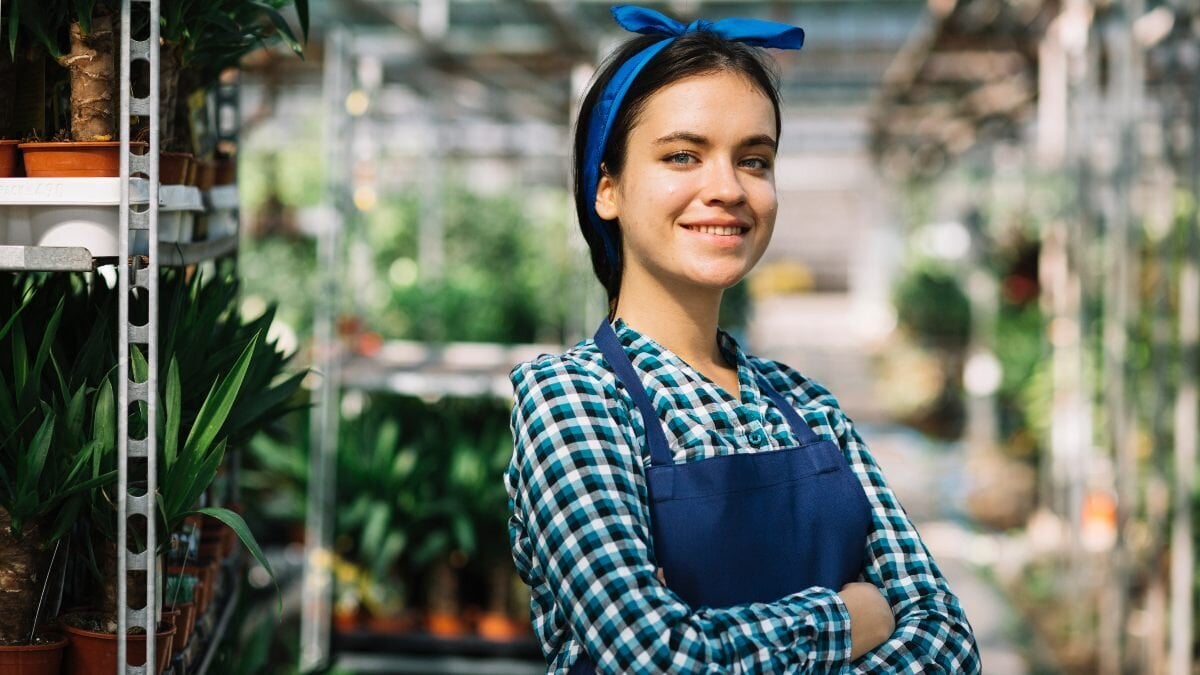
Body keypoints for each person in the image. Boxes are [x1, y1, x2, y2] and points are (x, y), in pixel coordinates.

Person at [505, 6, 981, 673]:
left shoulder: (807, 406)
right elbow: (658, 655)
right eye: (682, 156)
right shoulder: (573, 399)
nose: (726, 188)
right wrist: (846, 619)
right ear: (606, 187)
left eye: (753, 160)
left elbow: (947, 641)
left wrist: (722, 638)